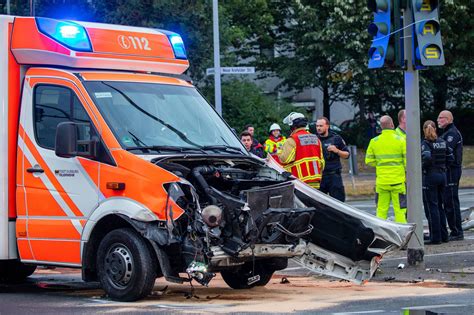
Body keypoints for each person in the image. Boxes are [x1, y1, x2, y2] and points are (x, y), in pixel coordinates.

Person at [365, 115, 407, 223]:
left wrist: (380, 164)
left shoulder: (374, 141)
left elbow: (368, 161)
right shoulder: (401, 140)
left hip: (382, 183)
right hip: (398, 182)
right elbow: (407, 162)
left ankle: (380, 236)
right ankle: (402, 236)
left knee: (381, 211)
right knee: (400, 211)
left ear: (381, 127)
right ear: (392, 125)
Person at [421, 120, 453, 245]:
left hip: (431, 176)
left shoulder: (426, 143)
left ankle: (436, 237)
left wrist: (422, 167)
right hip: (442, 175)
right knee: (441, 206)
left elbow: (427, 157)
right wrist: (444, 167)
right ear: (435, 129)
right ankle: (444, 236)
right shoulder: (443, 142)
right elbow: (451, 158)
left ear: (424, 130)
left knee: (432, 207)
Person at [278, 112, 325, 189]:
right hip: (316, 184)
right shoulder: (316, 139)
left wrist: (279, 151)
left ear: (293, 126)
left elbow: (284, 159)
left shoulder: (292, 140)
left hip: (300, 184)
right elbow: (322, 162)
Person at [437, 110, 464, 241]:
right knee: (447, 202)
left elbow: (445, 149)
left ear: (448, 119)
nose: (438, 120)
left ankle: (457, 232)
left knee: (451, 202)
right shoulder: (447, 133)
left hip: (452, 171)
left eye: (441, 118)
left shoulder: (452, 133)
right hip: (447, 171)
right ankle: (454, 230)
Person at [316, 117, 350, 202]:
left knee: (338, 204)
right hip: (320, 177)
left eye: (321, 126)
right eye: (317, 126)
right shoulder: (314, 140)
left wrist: (337, 151)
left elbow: (347, 155)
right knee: (319, 205)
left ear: (327, 126)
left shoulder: (336, 138)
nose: (318, 128)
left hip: (334, 176)